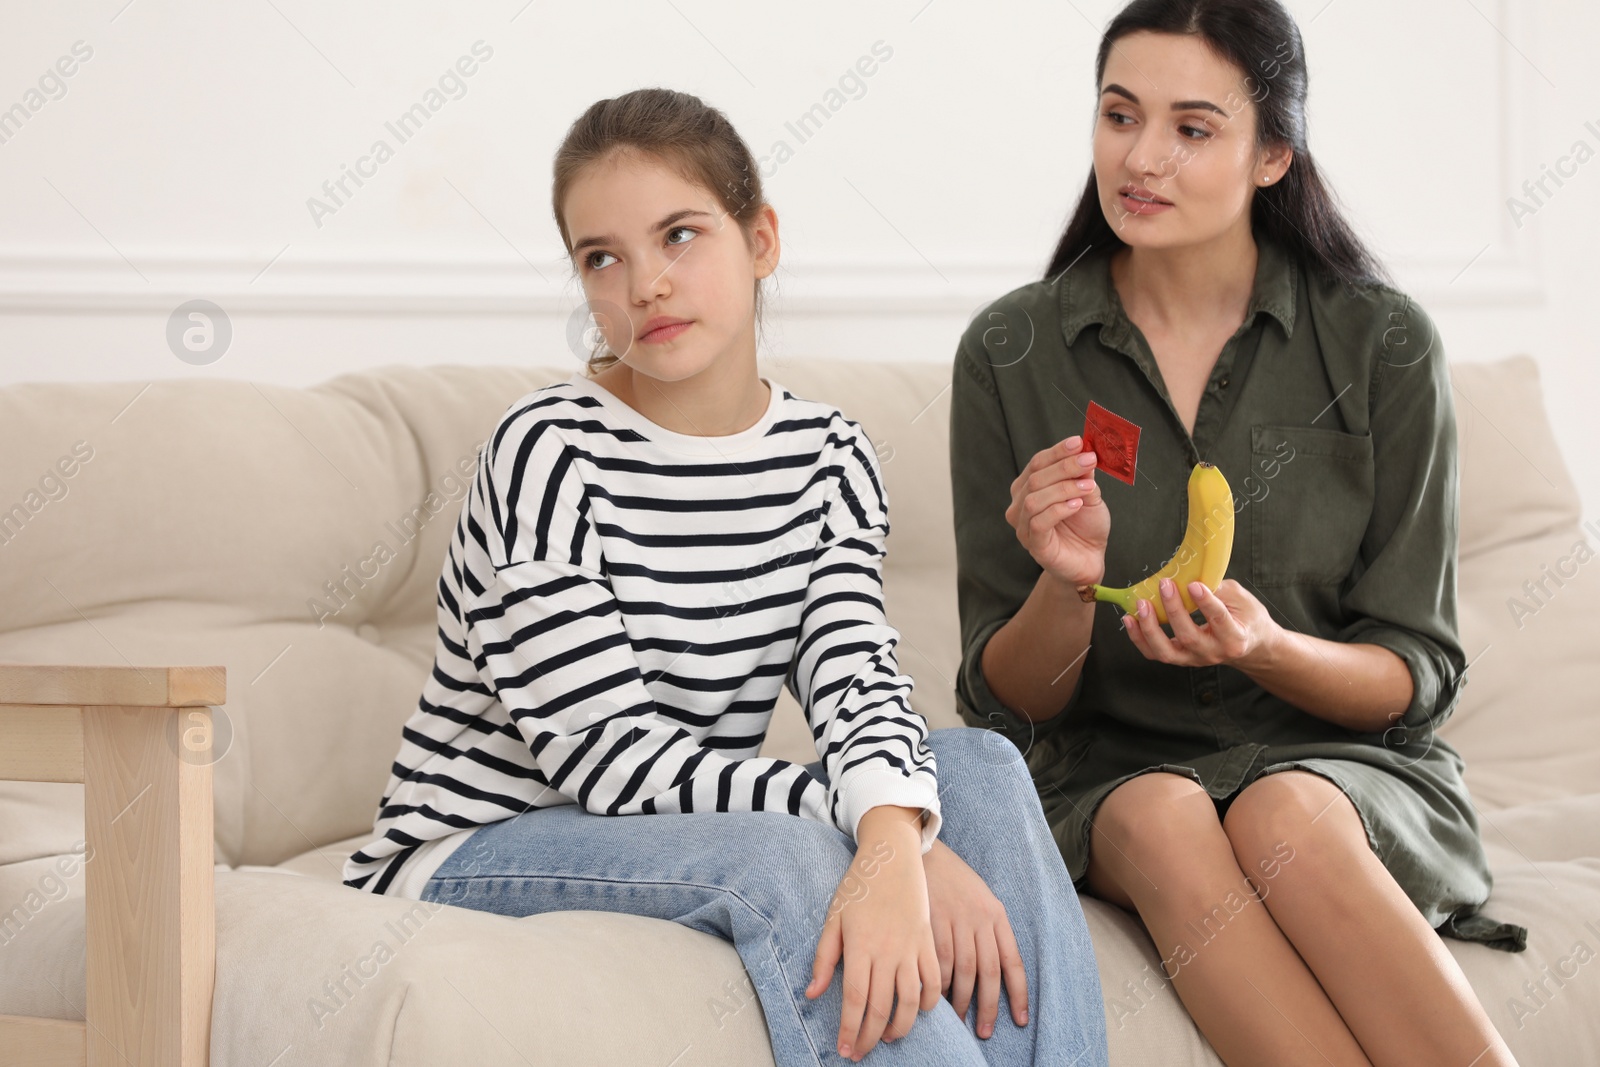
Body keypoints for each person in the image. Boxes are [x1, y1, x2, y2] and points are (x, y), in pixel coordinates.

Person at [342, 87, 1109, 1067]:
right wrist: (890, 836)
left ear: (761, 239)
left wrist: (898, 826)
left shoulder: (828, 455)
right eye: (602, 258)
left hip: (687, 820)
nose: (645, 284)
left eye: (678, 235)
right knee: (792, 852)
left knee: (982, 775)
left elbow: (853, 678)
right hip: (481, 843)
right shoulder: (545, 449)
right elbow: (605, 756)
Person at [948, 2, 1528, 1065]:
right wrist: (1066, 584)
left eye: (1192, 128)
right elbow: (1002, 698)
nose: (1142, 158)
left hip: (1341, 766)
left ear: (1272, 155)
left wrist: (1266, 648)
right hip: (1110, 772)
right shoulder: (1008, 350)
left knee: (1282, 811)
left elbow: (1417, 671)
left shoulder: (1381, 343)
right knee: (1167, 813)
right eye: (1119, 115)